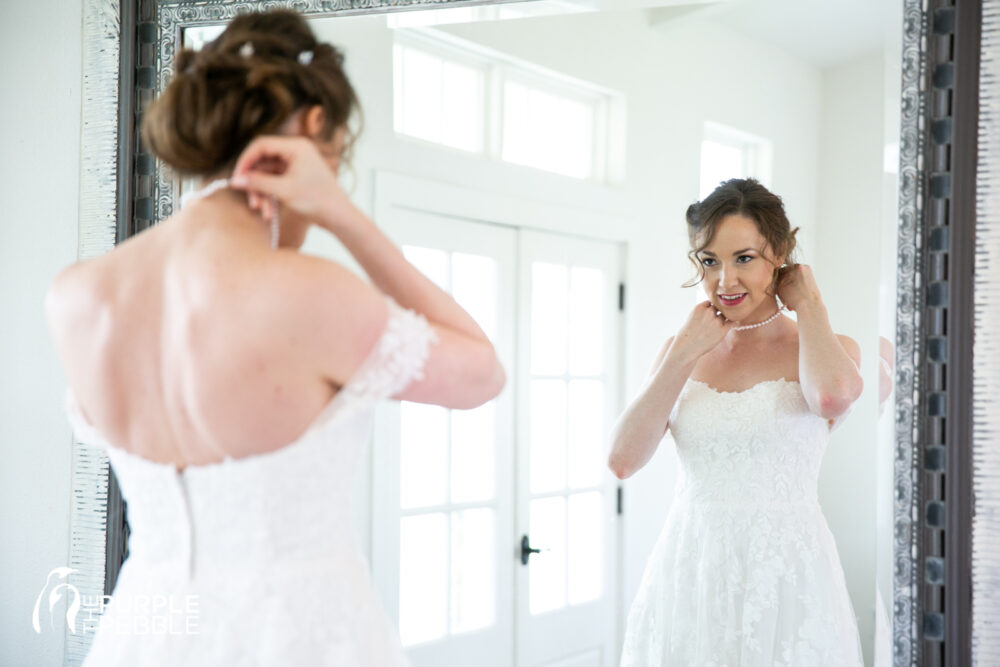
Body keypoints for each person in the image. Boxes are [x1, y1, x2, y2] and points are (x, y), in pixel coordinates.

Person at [45, 9, 504, 665]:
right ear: (313, 130)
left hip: (142, 633)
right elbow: (484, 372)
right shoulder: (312, 293)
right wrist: (344, 216)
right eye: (338, 162)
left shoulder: (78, 294)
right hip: (301, 635)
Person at [608, 178, 864, 665]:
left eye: (743, 258)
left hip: (788, 574)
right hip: (692, 567)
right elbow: (622, 460)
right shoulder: (678, 352)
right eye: (709, 261)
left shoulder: (828, 347)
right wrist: (683, 353)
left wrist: (808, 302)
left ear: (781, 252)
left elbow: (832, 398)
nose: (724, 281)